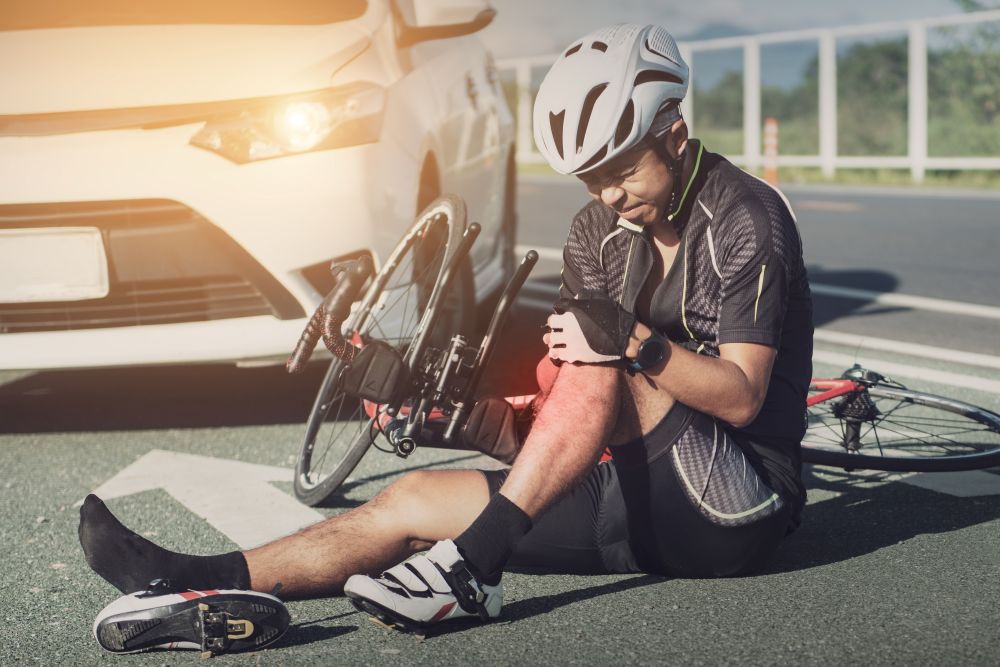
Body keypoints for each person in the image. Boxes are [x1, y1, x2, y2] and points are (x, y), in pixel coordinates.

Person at [80, 23, 813, 651]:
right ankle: (187, 579)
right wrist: (451, 414)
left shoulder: (747, 217)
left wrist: (636, 342)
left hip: (736, 507)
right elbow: (568, 412)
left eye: (621, 171)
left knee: (598, 346)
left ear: (674, 135)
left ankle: (473, 567)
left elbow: (743, 398)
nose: (608, 196)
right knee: (408, 499)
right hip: (634, 503)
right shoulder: (599, 230)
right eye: (590, 179)